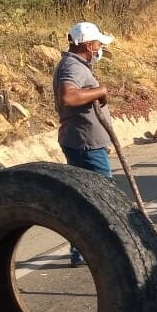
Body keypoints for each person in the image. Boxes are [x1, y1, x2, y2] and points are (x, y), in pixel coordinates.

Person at [53, 21, 116, 267]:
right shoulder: (73, 66)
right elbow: (68, 96)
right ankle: (99, 252)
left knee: (86, 198)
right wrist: (100, 91)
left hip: (83, 141)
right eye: (98, 44)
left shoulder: (75, 64)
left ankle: (81, 252)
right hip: (86, 145)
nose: (100, 48)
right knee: (102, 199)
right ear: (89, 45)